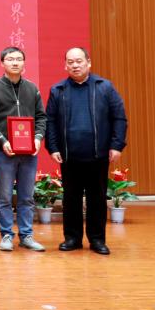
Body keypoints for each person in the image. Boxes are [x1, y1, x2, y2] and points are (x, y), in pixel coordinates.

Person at [46, 47, 128, 255]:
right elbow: (50, 122)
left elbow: (119, 118)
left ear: (88, 63)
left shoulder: (105, 87)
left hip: (98, 155)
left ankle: (97, 240)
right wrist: (53, 147)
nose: (75, 65)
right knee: (70, 199)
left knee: (97, 199)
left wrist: (116, 145)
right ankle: (72, 238)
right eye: (70, 62)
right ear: (65, 65)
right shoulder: (58, 90)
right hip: (69, 156)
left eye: (79, 61)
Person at [0, 46, 48, 252]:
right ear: (2, 63)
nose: (15, 62)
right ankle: (6, 235)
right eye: (10, 59)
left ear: (24, 63)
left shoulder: (32, 89)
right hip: (4, 151)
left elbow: (41, 117)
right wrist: (2, 140)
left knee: (27, 196)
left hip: (29, 153)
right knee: (4, 196)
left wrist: (37, 138)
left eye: (19, 59)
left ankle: (26, 235)